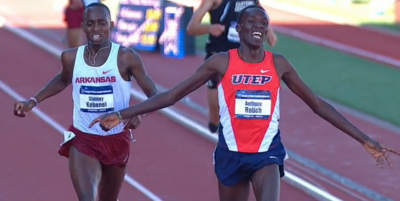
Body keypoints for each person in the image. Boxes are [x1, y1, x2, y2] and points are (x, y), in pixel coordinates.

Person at [90, 5, 399, 201]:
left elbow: (317, 105)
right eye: (250, 21)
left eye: (262, 23)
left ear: (266, 30)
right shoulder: (220, 63)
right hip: (231, 155)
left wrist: (364, 139)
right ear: (238, 29)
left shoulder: (279, 64)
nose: (257, 26)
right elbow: (173, 95)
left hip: (267, 155)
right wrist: (122, 113)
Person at [14, 3, 158, 201]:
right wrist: (34, 100)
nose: (96, 29)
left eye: (102, 23)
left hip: (117, 140)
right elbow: (63, 79)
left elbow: (154, 95)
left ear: (111, 25)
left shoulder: (126, 58)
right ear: (83, 26)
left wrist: (139, 114)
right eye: (90, 24)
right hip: (83, 139)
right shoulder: (71, 57)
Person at [186, 0, 277, 133]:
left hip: (244, 59)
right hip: (218, 59)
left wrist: (269, 32)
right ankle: (216, 125)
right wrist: (210, 28)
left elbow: (260, 12)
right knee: (215, 117)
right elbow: (191, 27)